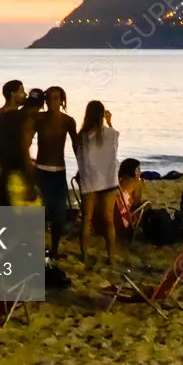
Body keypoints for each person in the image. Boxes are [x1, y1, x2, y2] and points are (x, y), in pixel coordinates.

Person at [75, 100, 121, 265]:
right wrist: (109, 122)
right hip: (108, 180)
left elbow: (79, 157)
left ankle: (85, 255)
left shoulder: (82, 136)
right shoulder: (110, 133)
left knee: (87, 218)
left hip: (90, 180)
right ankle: (110, 256)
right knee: (108, 220)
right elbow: (115, 147)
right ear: (102, 115)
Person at [34, 86, 78, 259]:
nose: (52, 102)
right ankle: (39, 248)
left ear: (62, 101)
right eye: (49, 98)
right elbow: (26, 139)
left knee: (59, 214)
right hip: (41, 170)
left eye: (56, 98)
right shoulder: (39, 118)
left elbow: (76, 145)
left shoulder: (68, 121)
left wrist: (83, 167)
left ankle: (54, 249)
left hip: (59, 171)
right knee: (39, 213)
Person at [0, 89, 44, 205]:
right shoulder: (27, 122)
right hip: (16, 175)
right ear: (38, 108)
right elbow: (23, 151)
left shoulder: (7, 115)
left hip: (2, 171)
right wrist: (30, 184)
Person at [0, 80, 26, 204]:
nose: (25, 94)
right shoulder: (9, 115)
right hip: (1, 167)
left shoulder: (3, 113)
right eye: (21, 91)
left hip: (0, 166)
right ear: (12, 94)